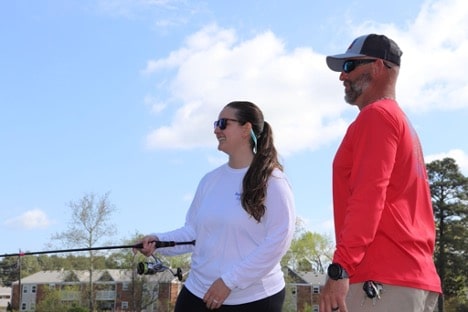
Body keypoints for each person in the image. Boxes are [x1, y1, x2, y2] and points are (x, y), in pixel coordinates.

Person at [320, 34, 442, 312]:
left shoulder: (376, 116)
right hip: (413, 280)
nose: (342, 77)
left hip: (380, 282)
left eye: (349, 66)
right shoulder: (401, 123)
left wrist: (341, 268)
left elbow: (368, 197)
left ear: (377, 67)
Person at [136, 101, 296, 312]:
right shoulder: (209, 181)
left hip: (254, 298)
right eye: (216, 123)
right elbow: (193, 232)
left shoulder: (274, 181)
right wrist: (159, 241)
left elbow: (277, 241)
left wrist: (229, 281)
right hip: (197, 292)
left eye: (223, 123)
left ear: (246, 129)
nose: (216, 130)